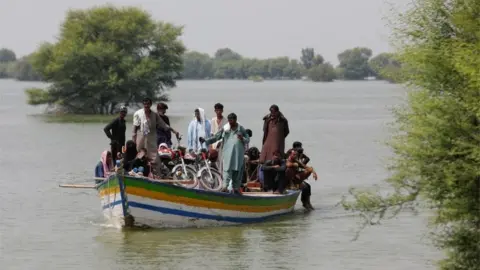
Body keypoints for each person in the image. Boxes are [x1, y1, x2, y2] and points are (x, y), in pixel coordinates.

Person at [200, 113, 250, 194]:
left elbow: (247, 139)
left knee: (237, 171)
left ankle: (236, 188)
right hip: (228, 154)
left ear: (236, 119)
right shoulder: (225, 129)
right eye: (229, 120)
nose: (231, 122)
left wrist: (242, 138)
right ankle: (225, 187)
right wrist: (206, 140)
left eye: (232, 120)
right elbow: (216, 137)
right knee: (227, 171)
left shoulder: (241, 129)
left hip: (238, 155)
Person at [133, 98, 179, 177]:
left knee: (156, 161)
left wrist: (174, 131)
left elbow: (164, 125)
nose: (146, 105)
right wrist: (134, 142)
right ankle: (136, 175)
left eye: (148, 104)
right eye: (145, 104)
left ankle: (157, 177)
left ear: (150, 105)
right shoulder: (137, 114)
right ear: (143, 104)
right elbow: (134, 130)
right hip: (140, 140)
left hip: (151, 140)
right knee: (139, 158)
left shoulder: (154, 115)